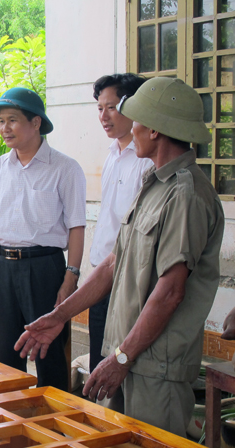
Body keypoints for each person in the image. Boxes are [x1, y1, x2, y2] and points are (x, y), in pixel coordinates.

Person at [15, 78, 224, 437]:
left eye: (136, 119)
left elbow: (171, 292)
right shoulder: (155, 184)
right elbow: (114, 262)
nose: (131, 127)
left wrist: (120, 359)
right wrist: (59, 316)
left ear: (155, 129)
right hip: (128, 358)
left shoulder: (186, 195)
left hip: (156, 370)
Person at [0, 87, 86, 391]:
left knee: (48, 354)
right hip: (4, 269)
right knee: (7, 357)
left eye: (12, 120)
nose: (4, 128)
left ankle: (56, 427)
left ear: (36, 123)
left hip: (44, 269)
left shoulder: (65, 169)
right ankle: (14, 427)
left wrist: (69, 279)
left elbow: (77, 227)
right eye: (0, 121)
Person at [88, 74, 153, 373]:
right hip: (102, 274)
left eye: (111, 107)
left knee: (122, 366)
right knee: (97, 360)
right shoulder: (113, 154)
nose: (104, 116)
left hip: (129, 279)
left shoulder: (147, 160)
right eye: (100, 108)